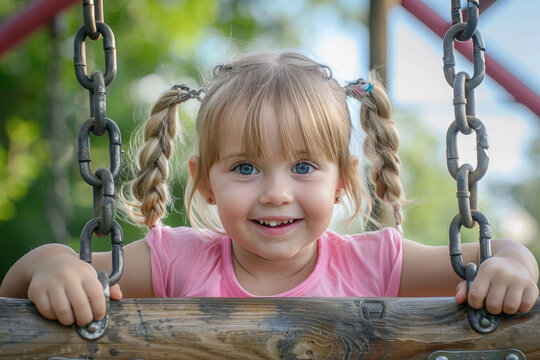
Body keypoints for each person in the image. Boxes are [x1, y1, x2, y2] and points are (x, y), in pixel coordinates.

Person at [0, 52, 538, 327]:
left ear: (342, 183)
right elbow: (17, 289)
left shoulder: (377, 263)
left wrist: (512, 268)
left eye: (304, 167)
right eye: (246, 168)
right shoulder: (177, 260)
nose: (276, 193)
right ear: (206, 182)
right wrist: (51, 266)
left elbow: (503, 255)